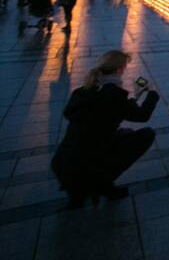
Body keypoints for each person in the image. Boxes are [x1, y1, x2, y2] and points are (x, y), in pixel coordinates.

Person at [51, 51, 159, 206]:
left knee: (124, 133)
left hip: (64, 164)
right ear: (120, 69)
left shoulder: (84, 90)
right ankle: (101, 184)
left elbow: (111, 110)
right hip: (88, 165)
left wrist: (135, 97)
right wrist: (152, 92)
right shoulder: (113, 95)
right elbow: (142, 116)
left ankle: (91, 186)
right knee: (146, 135)